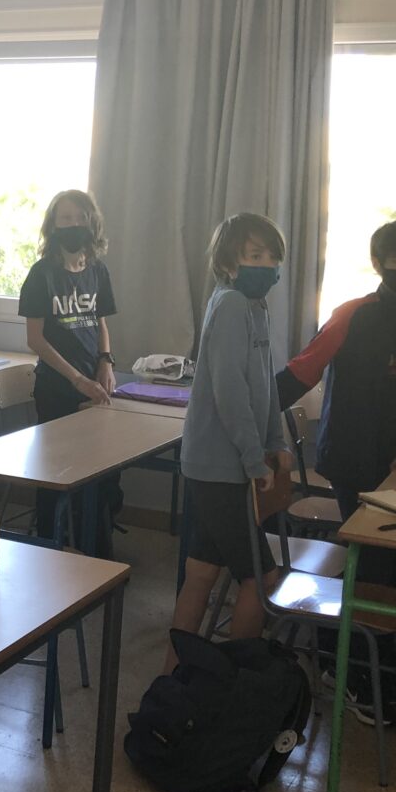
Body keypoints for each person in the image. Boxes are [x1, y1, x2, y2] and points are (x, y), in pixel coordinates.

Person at [168, 214, 292, 667]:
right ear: (228, 263)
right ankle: (236, 682)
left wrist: (276, 439)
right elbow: (230, 392)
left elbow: (266, 383)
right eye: (255, 255)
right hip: (219, 465)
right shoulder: (232, 304)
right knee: (262, 579)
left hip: (230, 463)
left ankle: (173, 677)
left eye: (273, 257)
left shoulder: (256, 306)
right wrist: (254, 458)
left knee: (202, 571)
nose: (267, 265)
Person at [276, 220, 396, 523]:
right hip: (351, 453)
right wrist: (253, 414)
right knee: (364, 537)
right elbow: (302, 372)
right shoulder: (352, 314)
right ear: (378, 264)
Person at [18, 189, 118, 535]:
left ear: (92, 223)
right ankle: (49, 541)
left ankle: (92, 544)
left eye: (80, 218)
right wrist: (77, 379)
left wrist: (106, 362)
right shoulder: (41, 274)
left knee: (98, 471)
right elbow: (35, 339)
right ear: (53, 226)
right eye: (65, 218)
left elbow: (101, 322)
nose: (74, 224)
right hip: (56, 388)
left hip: (93, 385)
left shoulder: (98, 270)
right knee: (55, 473)